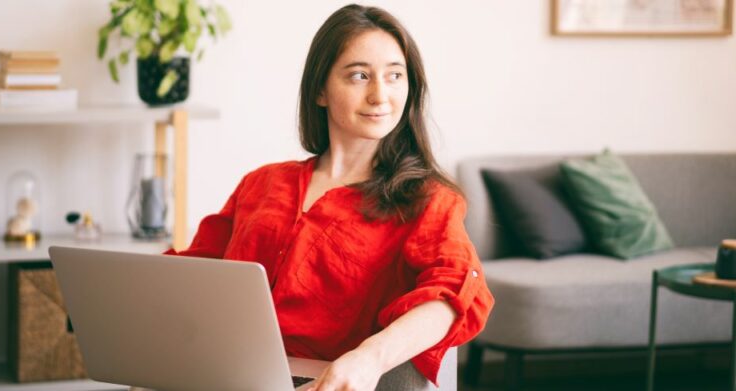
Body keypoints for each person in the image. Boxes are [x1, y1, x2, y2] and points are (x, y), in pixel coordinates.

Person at [165, 4, 494, 390]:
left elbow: (454, 293)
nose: (380, 95)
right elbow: (193, 276)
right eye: (359, 76)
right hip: (224, 376)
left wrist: (368, 359)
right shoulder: (262, 183)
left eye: (394, 76)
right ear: (320, 89)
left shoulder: (426, 199)